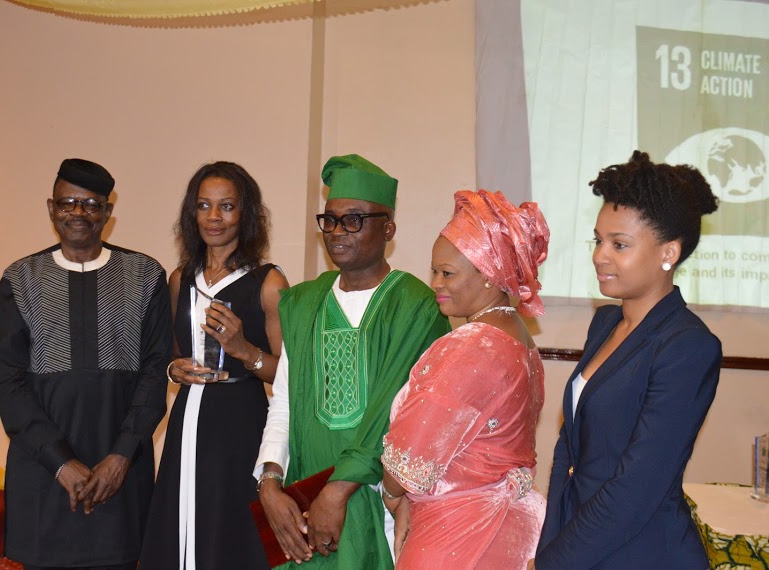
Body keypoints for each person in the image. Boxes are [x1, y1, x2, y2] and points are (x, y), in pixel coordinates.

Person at [254, 154, 451, 569]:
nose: (338, 232)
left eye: (355, 220)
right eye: (330, 220)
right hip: (304, 502)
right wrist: (270, 482)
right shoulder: (303, 304)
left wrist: (337, 491)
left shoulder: (417, 306)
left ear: (389, 228)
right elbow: (285, 401)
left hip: (379, 504)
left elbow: (401, 418)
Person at [533, 151, 723, 569]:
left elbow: (638, 488)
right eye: (598, 240)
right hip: (580, 543)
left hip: (644, 551)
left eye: (619, 244)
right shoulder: (604, 323)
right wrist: (550, 542)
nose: (601, 255)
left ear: (668, 252)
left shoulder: (688, 346)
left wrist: (555, 562)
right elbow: (570, 447)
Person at [0, 158, 172, 569]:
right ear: (50, 208)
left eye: (91, 205)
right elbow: (7, 382)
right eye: (67, 202)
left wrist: (121, 456)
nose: (78, 213)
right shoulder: (20, 279)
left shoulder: (145, 275)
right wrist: (60, 463)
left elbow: (156, 372)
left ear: (108, 213)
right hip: (42, 472)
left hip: (121, 472)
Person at [380, 189, 550, 569]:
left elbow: (410, 456)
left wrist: (393, 496)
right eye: (434, 270)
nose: (436, 283)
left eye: (448, 273)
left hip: (456, 535)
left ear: (489, 276)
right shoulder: (521, 339)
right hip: (508, 531)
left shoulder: (470, 346)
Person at [140, 162, 289, 570]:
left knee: (230, 530)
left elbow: (288, 376)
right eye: (204, 206)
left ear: (246, 214)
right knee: (180, 520)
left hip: (240, 419)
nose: (213, 217)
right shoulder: (180, 279)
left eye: (226, 207)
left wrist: (243, 350)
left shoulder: (269, 283)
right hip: (187, 416)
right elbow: (169, 354)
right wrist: (174, 371)